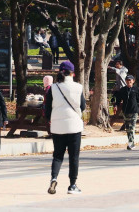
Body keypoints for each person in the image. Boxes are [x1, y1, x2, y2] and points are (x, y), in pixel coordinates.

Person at [44, 60, 85, 195]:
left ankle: (54, 178)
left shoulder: (53, 88)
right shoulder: (78, 87)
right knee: (74, 157)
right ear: (73, 73)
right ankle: (72, 185)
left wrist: (50, 120)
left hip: (57, 127)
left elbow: (47, 109)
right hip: (74, 126)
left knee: (57, 155)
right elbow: (83, 106)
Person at [112, 73, 139, 151]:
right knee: (128, 128)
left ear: (133, 81)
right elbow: (118, 100)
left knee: (132, 128)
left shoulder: (136, 89)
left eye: (130, 80)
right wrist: (116, 105)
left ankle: (130, 144)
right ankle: (131, 143)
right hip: (126, 111)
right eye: (127, 80)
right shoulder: (123, 90)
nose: (129, 81)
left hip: (134, 111)